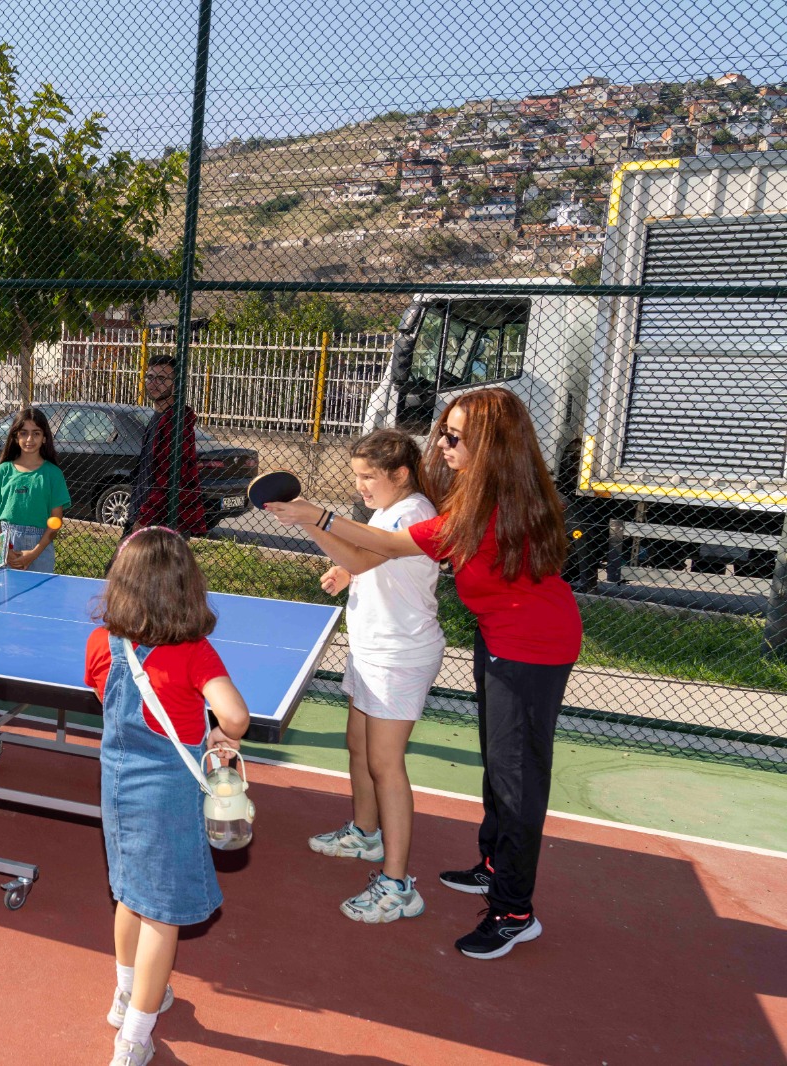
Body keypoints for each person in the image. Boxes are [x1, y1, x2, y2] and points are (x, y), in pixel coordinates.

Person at [268, 388, 582, 960]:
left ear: (490, 443)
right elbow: (376, 554)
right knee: (499, 768)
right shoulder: (481, 494)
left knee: (519, 783)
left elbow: (386, 545)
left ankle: (514, 911)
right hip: (499, 638)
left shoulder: (485, 503)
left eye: (454, 435)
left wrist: (316, 514)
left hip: (534, 647)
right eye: (443, 432)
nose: (441, 442)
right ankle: (493, 865)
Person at [84, 527, 250, 1066]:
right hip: (167, 797)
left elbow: (103, 695)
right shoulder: (195, 654)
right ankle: (134, 1035)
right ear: (187, 587)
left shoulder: (100, 644)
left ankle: (126, 992)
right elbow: (235, 716)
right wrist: (221, 733)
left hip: (115, 784)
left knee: (130, 893)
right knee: (163, 915)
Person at [298, 429, 443, 924]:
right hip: (372, 647)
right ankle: (365, 833)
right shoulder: (389, 510)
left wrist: (313, 520)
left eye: (368, 477)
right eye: (356, 476)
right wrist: (349, 575)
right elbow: (373, 560)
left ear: (400, 474)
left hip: (399, 655)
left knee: (386, 764)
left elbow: (367, 551)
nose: (360, 485)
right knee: (358, 745)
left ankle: (398, 884)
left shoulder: (414, 512)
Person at [0, 407, 70, 573]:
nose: (30, 439)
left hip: (40, 549)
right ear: (15, 437)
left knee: (38, 598)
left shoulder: (53, 474)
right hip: (5, 545)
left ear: (44, 438)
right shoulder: (3, 471)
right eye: (23, 433)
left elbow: (56, 520)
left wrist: (34, 553)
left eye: (36, 433)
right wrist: (3, 547)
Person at [126, 353, 206, 537]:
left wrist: (143, 519)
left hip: (162, 521)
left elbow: (168, 480)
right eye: (150, 377)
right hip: (145, 514)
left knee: (122, 565)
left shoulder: (175, 424)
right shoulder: (158, 417)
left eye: (162, 378)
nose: (153, 383)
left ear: (176, 384)